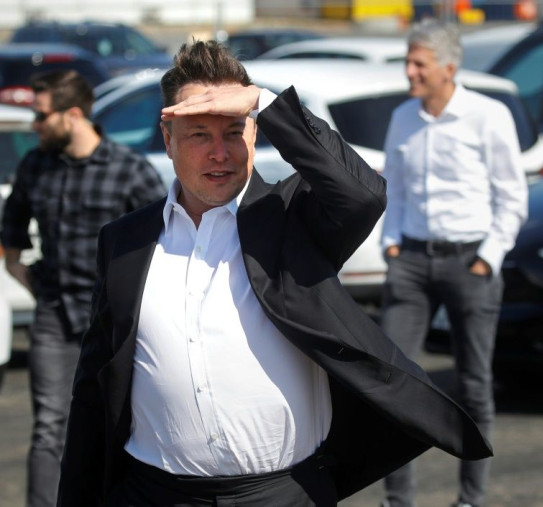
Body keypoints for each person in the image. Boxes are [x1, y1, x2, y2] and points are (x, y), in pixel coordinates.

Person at [57, 40, 491, 507]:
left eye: (233, 130)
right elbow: (93, 390)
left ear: (255, 133)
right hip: (152, 493)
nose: (219, 153)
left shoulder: (291, 219)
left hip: (285, 494)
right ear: (168, 140)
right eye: (199, 134)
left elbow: (362, 194)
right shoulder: (125, 241)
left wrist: (263, 101)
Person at [379, 19, 528, 507]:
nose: (410, 71)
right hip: (413, 264)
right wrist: (393, 245)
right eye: (408, 60)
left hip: (470, 263)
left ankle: (470, 500)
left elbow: (512, 196)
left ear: (449, 66)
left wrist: (488, 259)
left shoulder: (488, 116)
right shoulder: (403, 116)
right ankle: (397, 500)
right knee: (393, 381)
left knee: (474, 385)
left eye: (419, 63)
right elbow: (394, 187)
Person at [0, 70, 165, 507]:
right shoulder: (36, 165)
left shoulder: (128, 169)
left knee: (119, 423)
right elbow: (11, 227)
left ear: (73, 115)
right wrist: (23, 272)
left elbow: (164, 238)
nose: (34, 126)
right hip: (54, 314)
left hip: (113, 321)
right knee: (50, 427)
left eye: (41, 116)